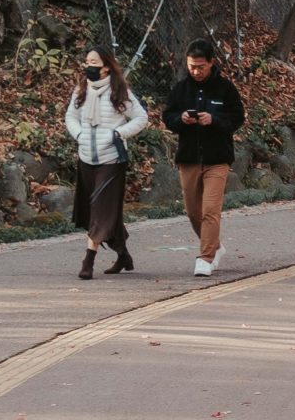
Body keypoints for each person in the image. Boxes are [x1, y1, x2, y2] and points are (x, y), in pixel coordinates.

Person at [162, 38, 246, 279]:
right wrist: (182, 120)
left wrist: (215, 120)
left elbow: (237, 117)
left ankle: (206, 257)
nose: (196, 71)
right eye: (191, 66)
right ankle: (215, 245)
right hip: (188, 157)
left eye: (200, 66)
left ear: (211, 63)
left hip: (217, 158)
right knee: (192, 211)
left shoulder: (225, 88)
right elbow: (168, 116)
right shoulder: (180, 89)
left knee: (211, 209)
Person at [65, 48, 149, 280]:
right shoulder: (81, 90)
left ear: (106, 67)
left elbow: (142, 118)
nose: (88, 66)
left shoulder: (119, 91)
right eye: (86, 61)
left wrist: (118, 133)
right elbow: (70, 116)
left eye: (93, 62)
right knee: (101, 211)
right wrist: (79, 134)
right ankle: (123, 255)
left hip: (112, 159)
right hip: (86, 158)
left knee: (100, 209)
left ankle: (88, 261)